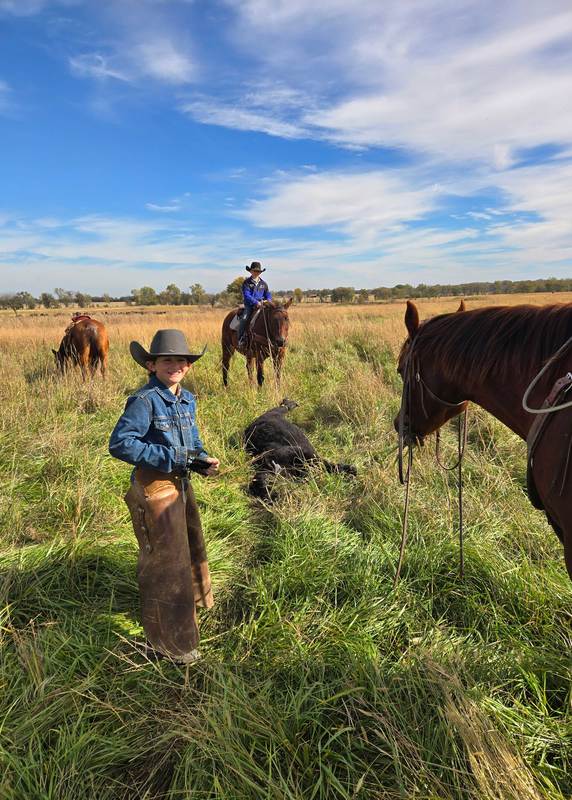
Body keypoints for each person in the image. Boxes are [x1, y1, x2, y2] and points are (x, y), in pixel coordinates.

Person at [109, 329, 219, 664]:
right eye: (166, 360)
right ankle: (172, 645)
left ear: (188, 366)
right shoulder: (144, 401)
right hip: (155, 487)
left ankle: (190, 613)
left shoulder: (187, 399)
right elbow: (120, 443)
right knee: (166, 563)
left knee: (190, 546)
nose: (174, 365)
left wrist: (201, 461)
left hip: (181, 483)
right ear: (152, 365)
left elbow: (193, 443)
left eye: (180, 360)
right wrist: (171, 459)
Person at [237, 261, 272, 348]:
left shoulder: (263, 284)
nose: (256, 273)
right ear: (251, 271)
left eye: (258, 271)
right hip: (250, 305)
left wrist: (268, 300)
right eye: (254, 271)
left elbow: (268, 294)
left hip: (262, 305)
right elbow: (247, 295)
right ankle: (240, 339)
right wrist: (256, 302)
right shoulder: (246, 283)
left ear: (260, 272)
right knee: (244, 318)